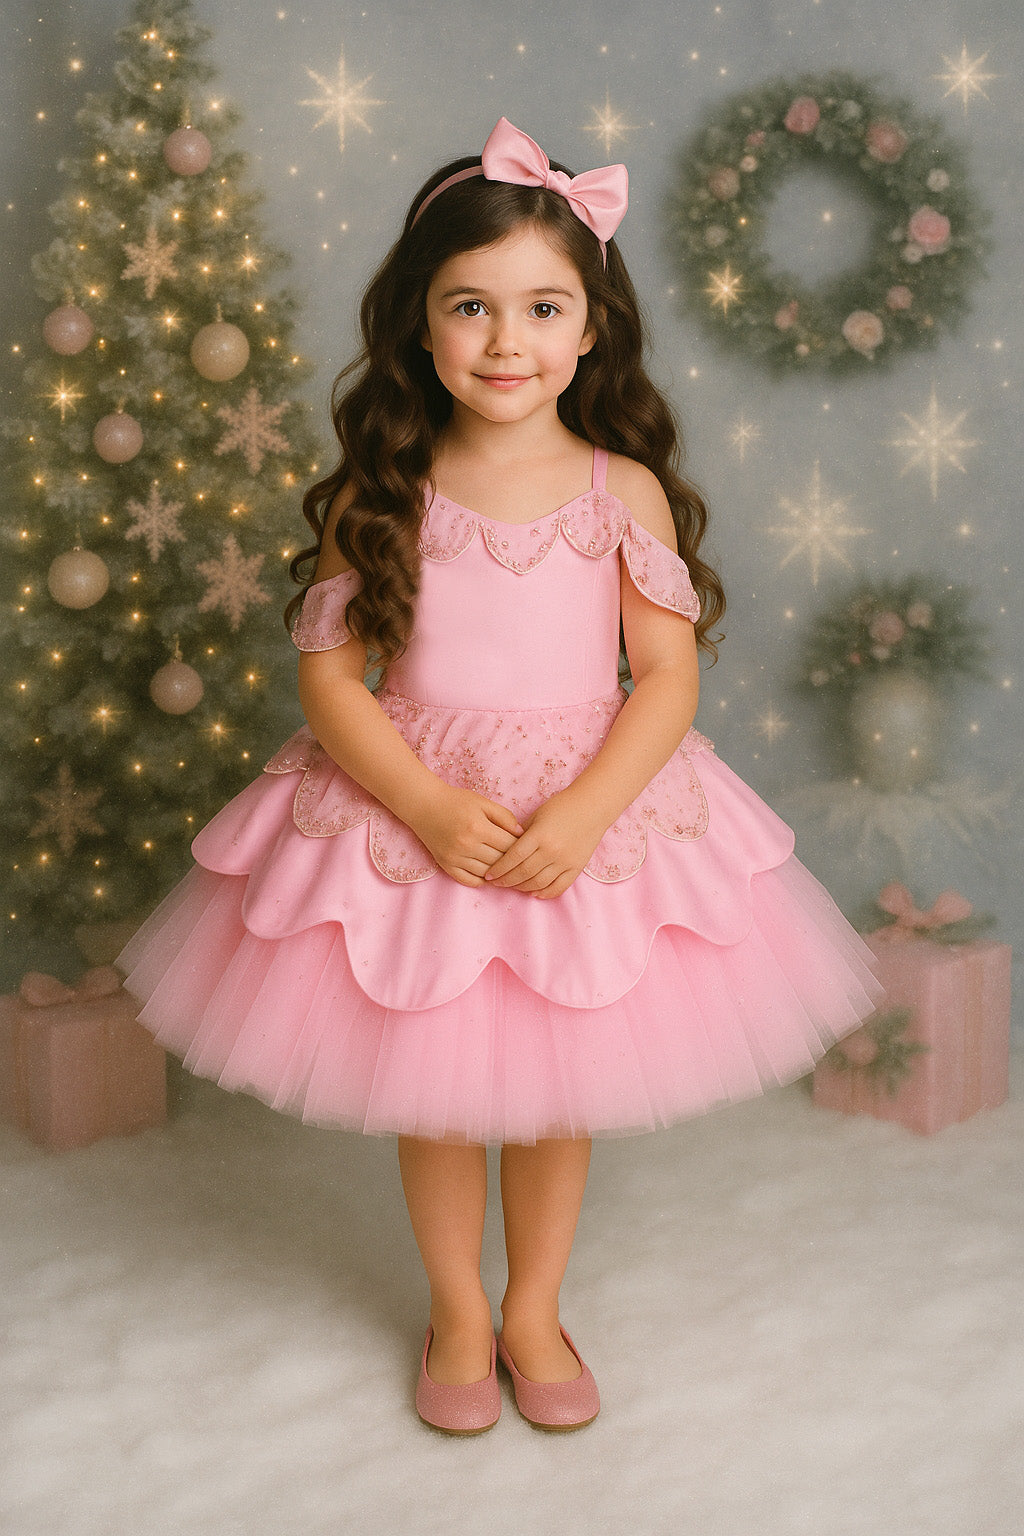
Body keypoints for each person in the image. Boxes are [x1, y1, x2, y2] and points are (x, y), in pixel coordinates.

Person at [116, 118, 882, 1436]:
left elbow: (670, 680)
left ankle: (534, 1307)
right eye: (471, 308)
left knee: (551, 1094)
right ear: (421, 325)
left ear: (592, 330)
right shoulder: (390, 487)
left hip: (574, 821)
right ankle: (457, 1314)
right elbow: (330, 681)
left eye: (542, 307)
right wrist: (416, 801)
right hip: (425, 821)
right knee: (437, 1088)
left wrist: (589, 809)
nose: (506, 340)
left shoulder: (619, 488)